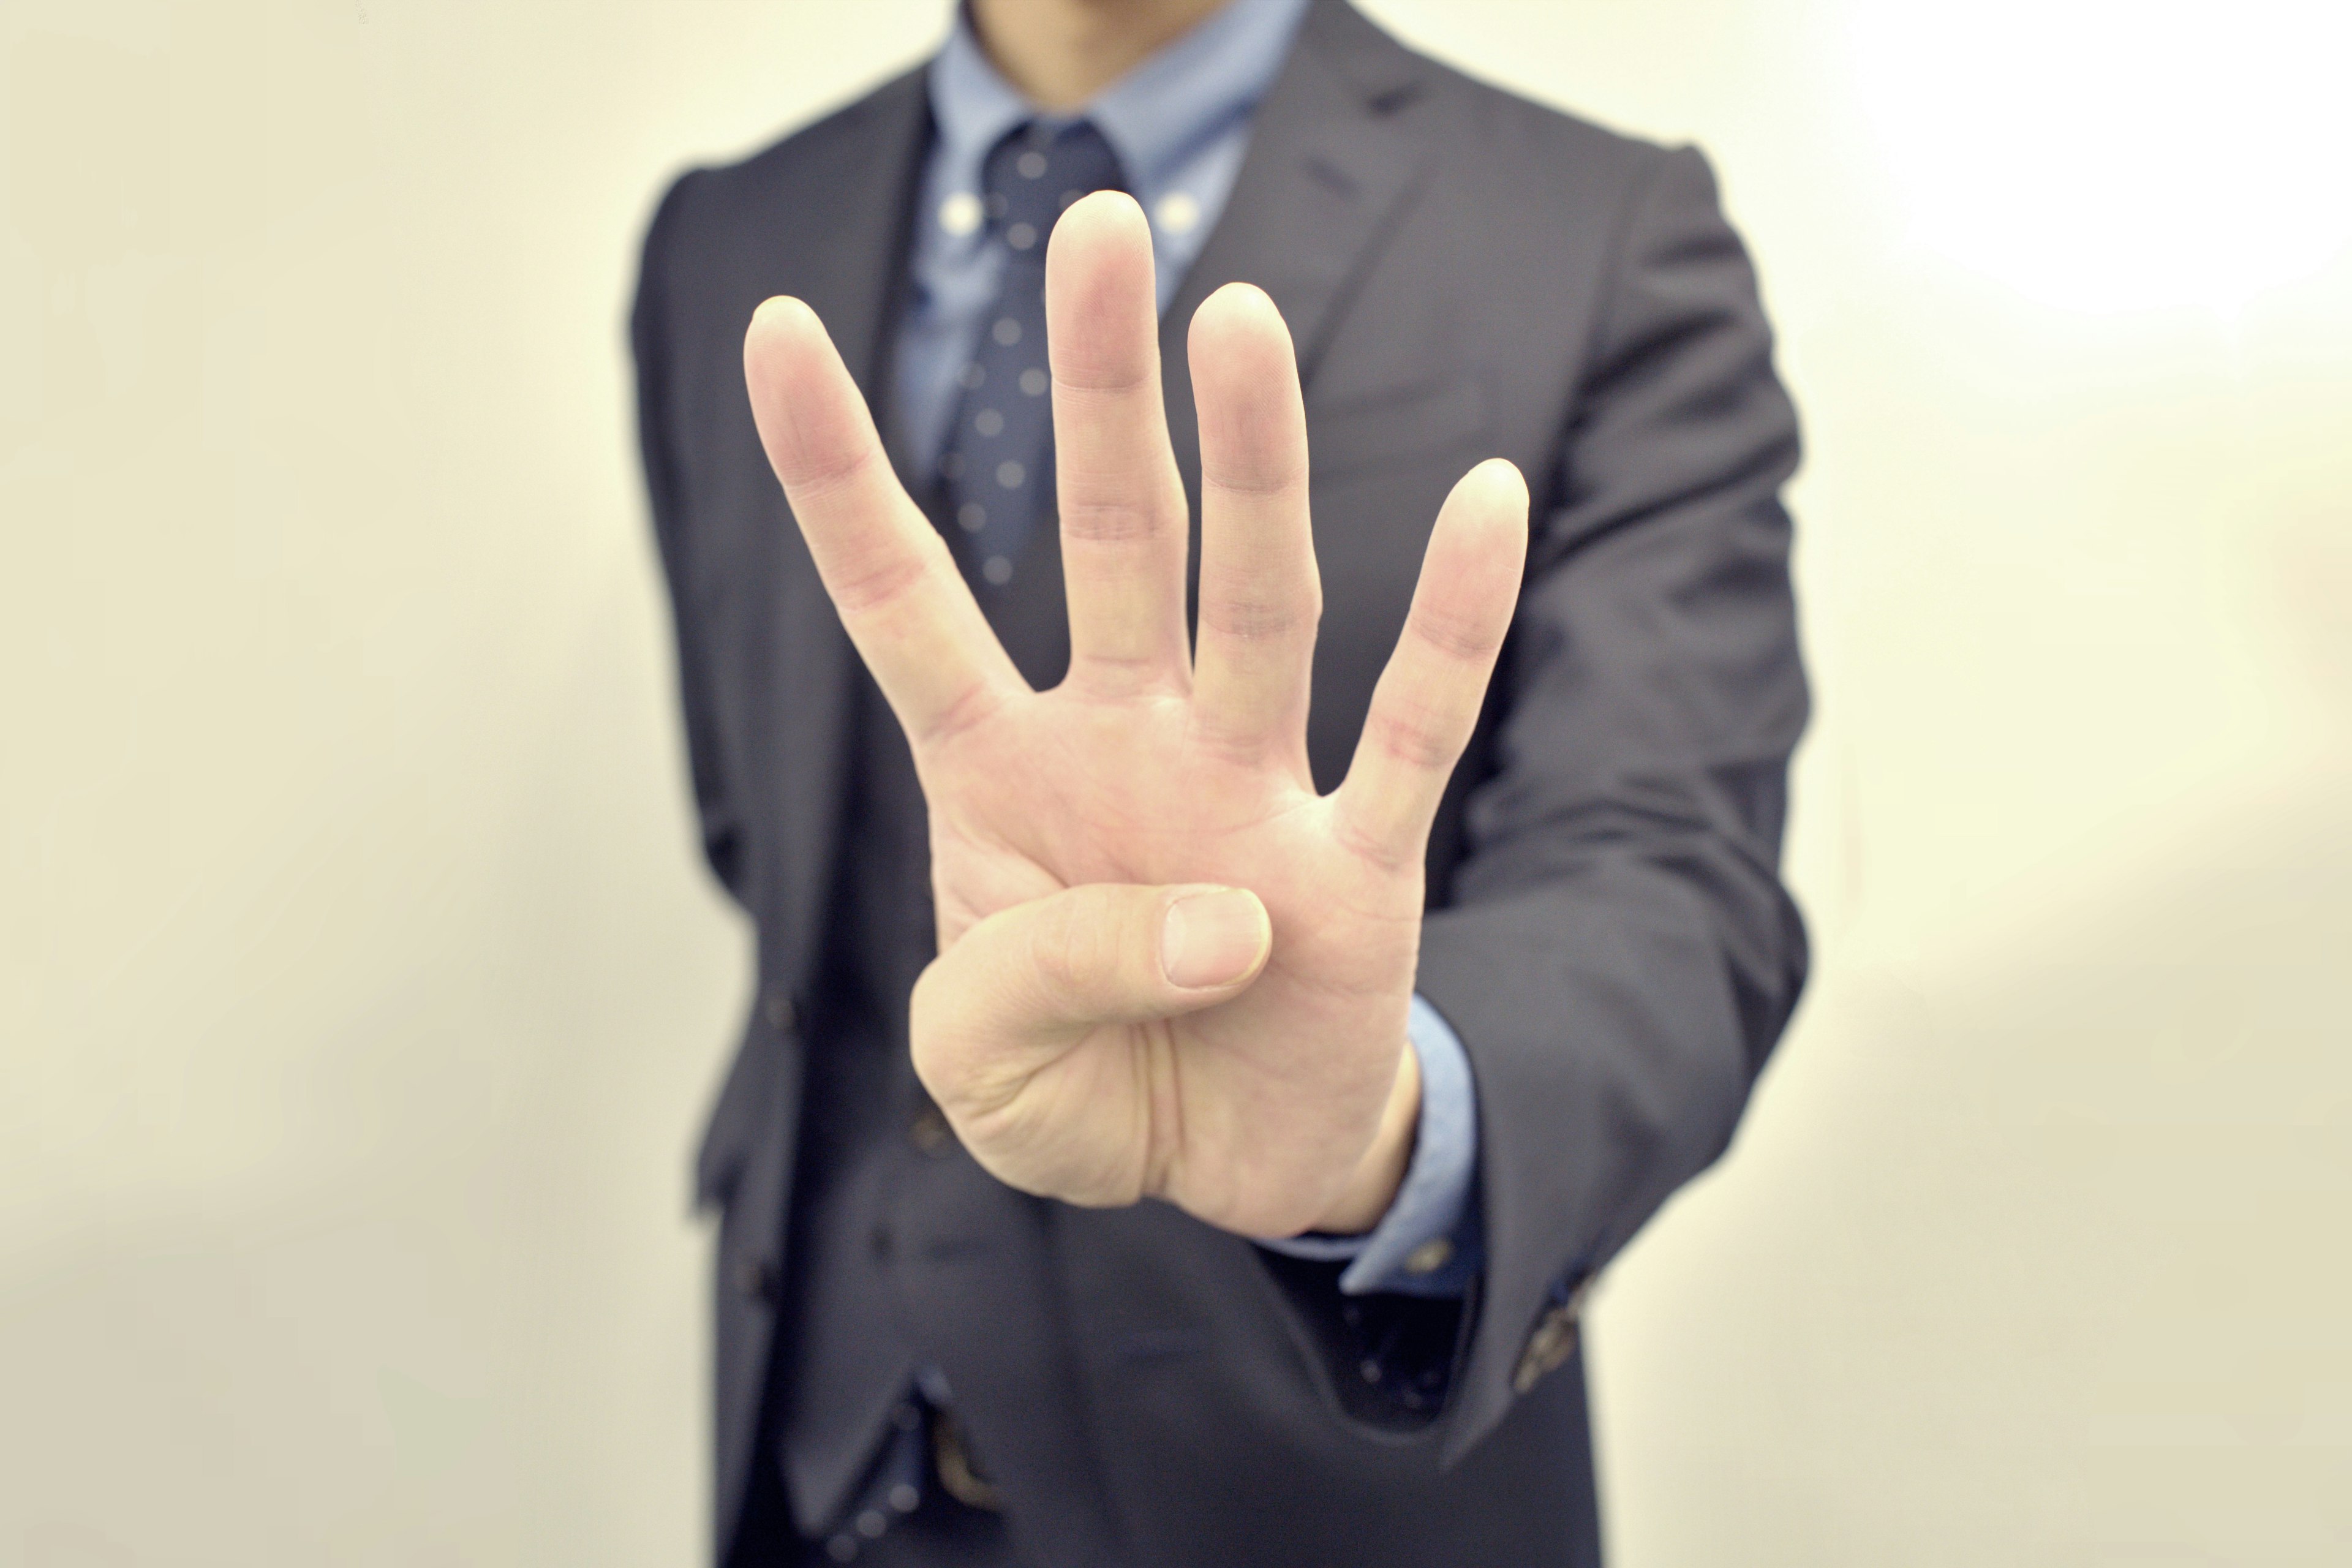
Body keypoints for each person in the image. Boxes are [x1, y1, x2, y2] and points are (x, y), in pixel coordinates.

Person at [629, 0, 1808, 1562]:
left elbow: (1673, 879)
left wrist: (1384, 1115)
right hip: (812, 1469)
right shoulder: (727, 239)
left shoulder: (1598, 233)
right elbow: (759, 821)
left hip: (1314, 1494)